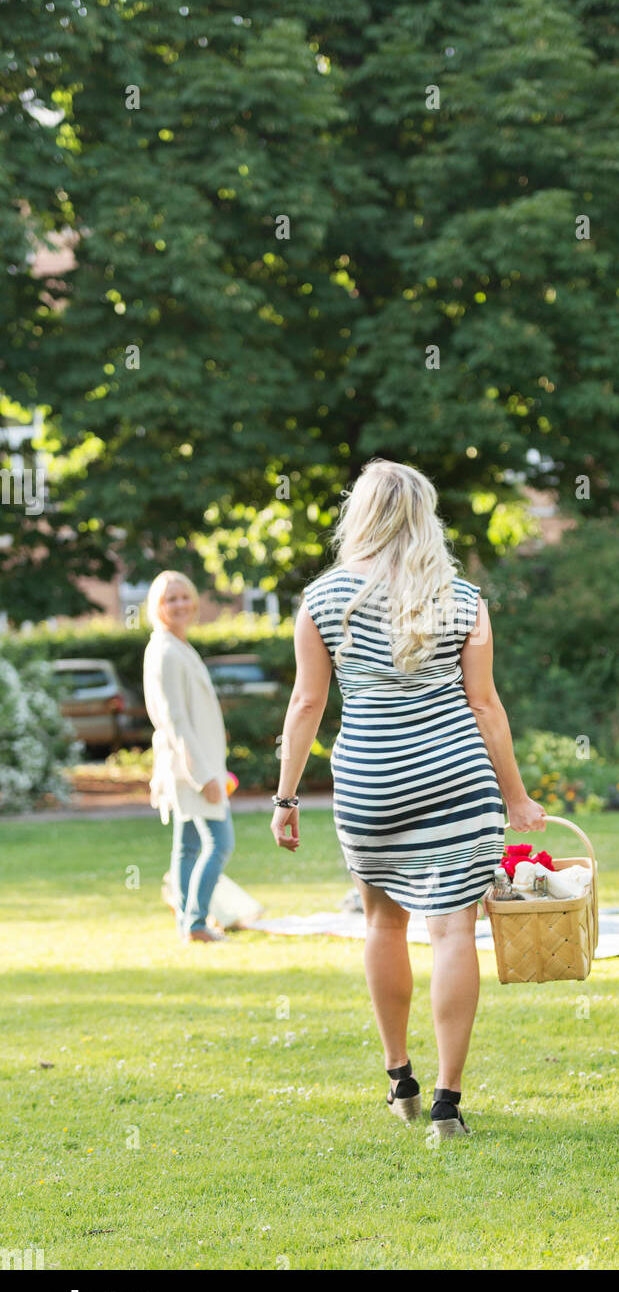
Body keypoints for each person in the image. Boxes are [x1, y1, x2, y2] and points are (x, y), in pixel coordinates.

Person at [270, 459, 545, 1138]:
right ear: (425, 515)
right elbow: (484, 705)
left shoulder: (323, 599)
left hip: (370, 781)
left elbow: (307, 703)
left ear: (359, 514)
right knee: (453, 930)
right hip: (455, 775)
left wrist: (285, 798)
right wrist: (517, 799)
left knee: (382, 925)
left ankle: (401, 1082)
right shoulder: (462, 597)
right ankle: (449, 1105)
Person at [143, 570, 234, 945]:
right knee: (220, 842)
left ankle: (188, 923)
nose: (179, 604)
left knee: (189, 846)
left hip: (197, 765)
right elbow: (175, 720)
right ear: (157, 607)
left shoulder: (178, 645)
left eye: (184, 597)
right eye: (170, 599)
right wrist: (204, 777)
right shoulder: (165, 650)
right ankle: (196, 923)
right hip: (191, 769)